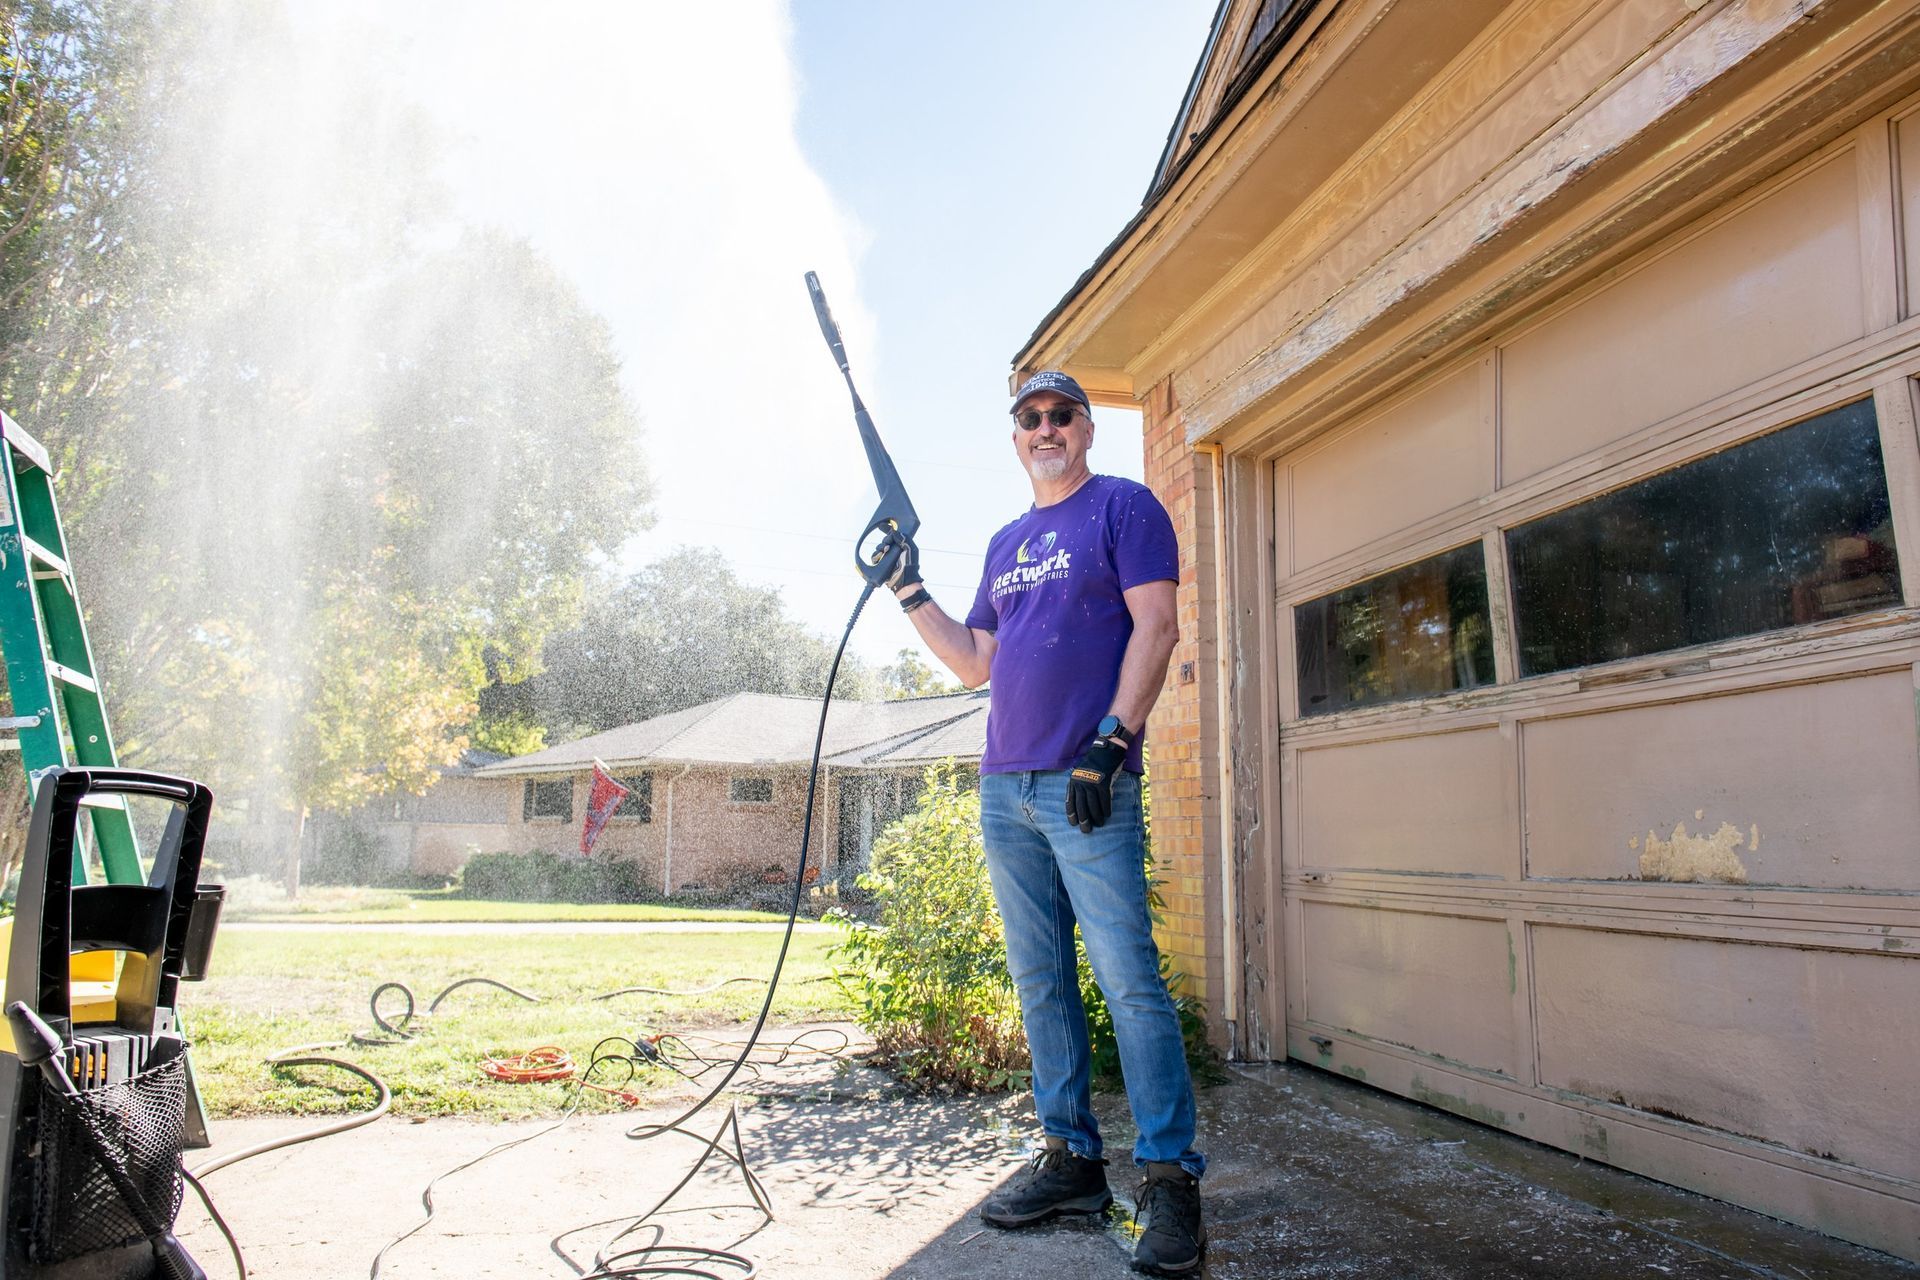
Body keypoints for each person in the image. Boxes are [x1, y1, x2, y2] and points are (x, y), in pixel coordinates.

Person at [880, 370, 1204, 1276]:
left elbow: (1159, 626)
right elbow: (975, 663)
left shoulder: (1124, 509)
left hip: (1085, 781)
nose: (1046, 428)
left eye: (1062, 415)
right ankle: (1071, 1161)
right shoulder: (1007, 541)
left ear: (1087, 428)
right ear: (1016, 438)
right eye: (1031, 419)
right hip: (1005, 788)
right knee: (1041, 979)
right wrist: (910, 593)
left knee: (1128, 978)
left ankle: (1171, 1178)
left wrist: (1112, 742)